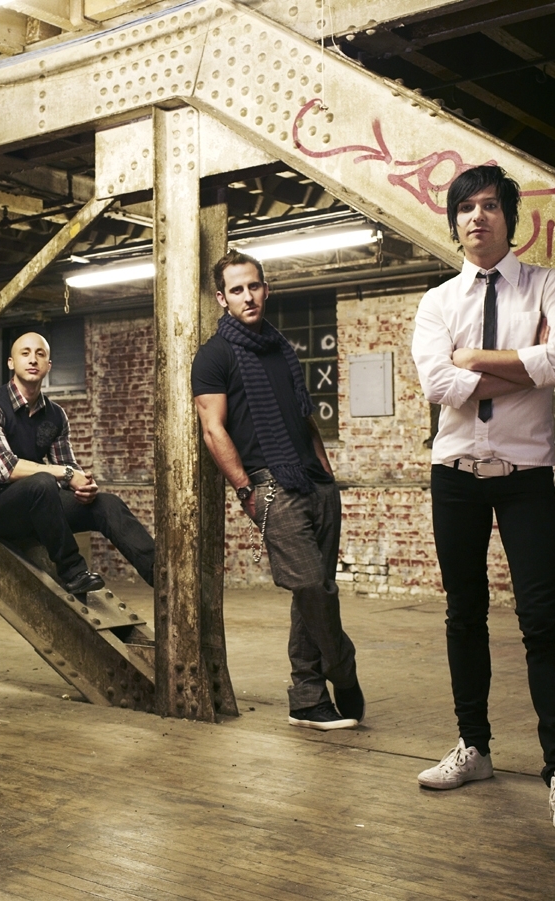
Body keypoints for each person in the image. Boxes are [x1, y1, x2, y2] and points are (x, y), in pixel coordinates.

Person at [411, 165, 555, 834]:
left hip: (525, 477)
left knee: (541, 619)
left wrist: (476, 359)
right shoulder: (437, 301)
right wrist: (523, 363)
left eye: (490, 206)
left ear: (509, 220)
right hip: (456, 475)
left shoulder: (548, 285)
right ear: (454, 221)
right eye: (466, 207)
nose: (477, 217)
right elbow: (436, 384)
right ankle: (475, 747)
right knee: (464, 614)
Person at [193, 251, 364, 731]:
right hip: (270, 485)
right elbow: (213, 430)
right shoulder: (214, 355)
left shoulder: (280, 347)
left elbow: (304, 415)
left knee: (315, 593)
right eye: (237, 289)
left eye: (254, 286)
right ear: (222, 298)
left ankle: (307, 699)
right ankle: (342, 669)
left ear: (266, 289)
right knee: (309, 585)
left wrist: (326, 472)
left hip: (314, 482)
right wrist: (245, 489)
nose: (248, 296)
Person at [0, 331, 155, 595]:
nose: (33, 359)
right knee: (42, 483)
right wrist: (65, 474)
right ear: (11, 363)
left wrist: (83, 486)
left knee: (107, 503)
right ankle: (73, 571)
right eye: (25, 353)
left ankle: (160, 573)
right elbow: (6, 469)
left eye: (40, 354)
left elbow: (68, 468)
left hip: (41, 503)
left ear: (48, 365)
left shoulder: (55, 415)